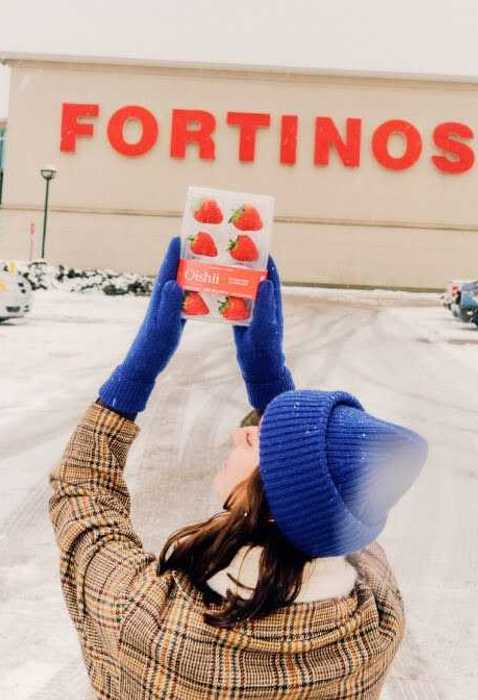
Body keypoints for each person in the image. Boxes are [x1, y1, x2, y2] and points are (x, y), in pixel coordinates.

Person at [49, 237, 427, 699]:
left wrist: (140, 368)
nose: (242, 432)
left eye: (263, 442)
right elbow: (340, 502)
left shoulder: (155, 625)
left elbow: (82, 493)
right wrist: (269, 380)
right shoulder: (376, 623)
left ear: (275, 509)